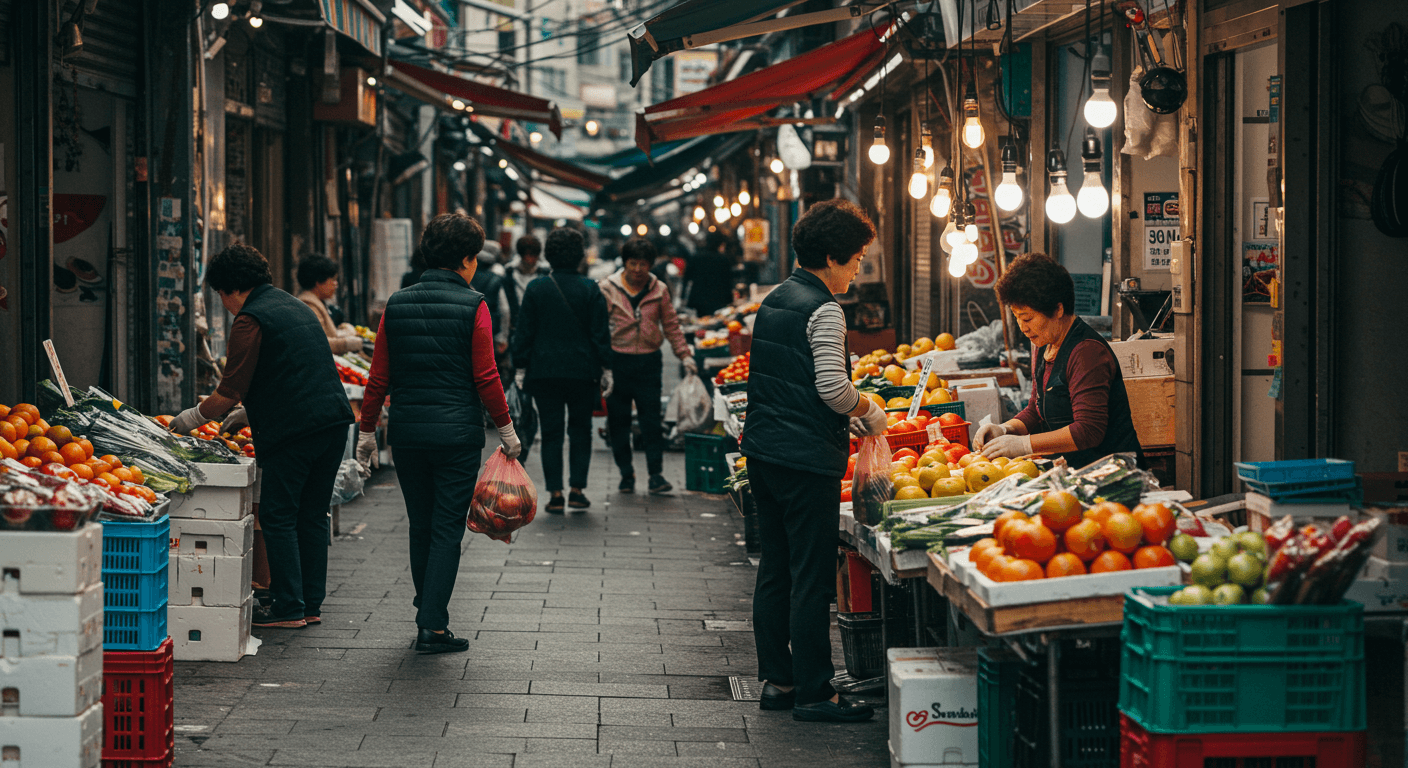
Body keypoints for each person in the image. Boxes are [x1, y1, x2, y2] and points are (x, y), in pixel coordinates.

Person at [740, 199, 884, 723]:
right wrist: (867, 409)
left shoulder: (777, 297)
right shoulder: (823, 309)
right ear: (829, 257)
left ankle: (778, 681)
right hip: (805, 462)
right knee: (811, 576)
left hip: (764, 453)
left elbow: (792, 383)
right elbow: (830, 386)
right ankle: (816, 693)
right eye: (855, 259)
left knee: (776, 569)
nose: (857, 270)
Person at [352, 213, 522, 654]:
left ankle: (427, 603)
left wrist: (367, 432)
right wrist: (506, 431)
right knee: (447, 528)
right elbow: (486, 376)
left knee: (421, 525)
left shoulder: (397, 302)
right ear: (466, 260)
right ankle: (432, 624)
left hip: (407, 435)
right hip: (457, 437)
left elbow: (378, 378)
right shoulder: (474, 304)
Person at [169, 243, 353, 629]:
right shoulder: (294, 306)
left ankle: (288, 607)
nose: (225, 305)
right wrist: (249, 412)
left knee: (278, 514)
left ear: (229, 289)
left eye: (221, 296)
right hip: (332, 423)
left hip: (295, 430)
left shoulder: (250, 319)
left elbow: (227, 390)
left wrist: (189, 418)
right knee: (311, 514)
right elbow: (290, 371)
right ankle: (309, 603)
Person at [976, 253, 1145, 468]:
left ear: (1058, 309)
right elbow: (1037, 411)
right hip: (1073, 473)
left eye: (1027, 318)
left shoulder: (1087, 353)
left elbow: (1088, 430)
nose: (1022, 327)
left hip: (1112, 476)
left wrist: (1024, 445)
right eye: (1016, 317)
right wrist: (1005, 429)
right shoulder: (1045, 344)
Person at [511, 227, 612, 513]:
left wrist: (519, 367)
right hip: (582, 372)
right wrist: (607, 368)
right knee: (581, 429)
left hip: (544, 372)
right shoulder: (591, 288)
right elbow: (600, 334)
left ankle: (555, 493)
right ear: (579, 256)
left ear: (549, 256)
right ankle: (577, 490)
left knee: (552, 431)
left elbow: (524, 332)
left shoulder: (536, 288)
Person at [598, 237, 698, 495]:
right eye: (633, 263)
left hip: (649, 361)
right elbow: (597, 328)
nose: (638, 270)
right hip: (617, 361)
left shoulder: (659, 289)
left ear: (651, 265)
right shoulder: (607, 288)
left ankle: (656, 474)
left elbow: (672, 325)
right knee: (618, 421)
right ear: (625, 263)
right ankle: (626, 474)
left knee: (651, 420)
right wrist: (601, 365)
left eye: (644, 264)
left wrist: (684, 355)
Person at [295, 254, 363, 354]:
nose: (336, 284)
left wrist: (343, 333)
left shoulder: (316, 302)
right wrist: (347, 343)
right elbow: (317, 342)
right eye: (333, 280)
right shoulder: (308, 305)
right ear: (318, 281)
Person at [684, 230, 735, 316]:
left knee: (702, 322)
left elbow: (687, 277)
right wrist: (730, 299)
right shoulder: (723, 259)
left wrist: (683, 297)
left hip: (699, 299)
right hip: (719, 299)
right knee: (718, 322)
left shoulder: (696, 257)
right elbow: (728, 281)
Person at [505, 234, 550, 325]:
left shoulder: (545, 273)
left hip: (538, 321)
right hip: (516, 321)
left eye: (533, 254)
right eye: (528, 254)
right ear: (522, 255)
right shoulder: (509, 272)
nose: (531, 259)